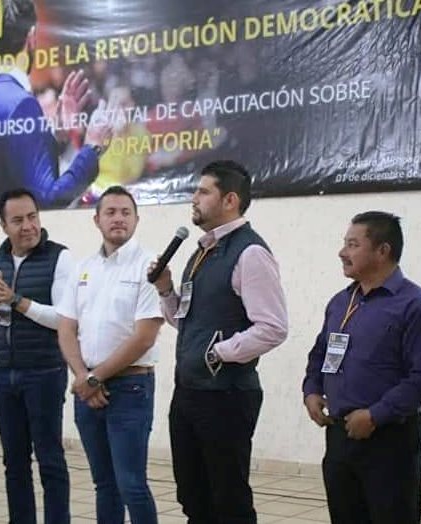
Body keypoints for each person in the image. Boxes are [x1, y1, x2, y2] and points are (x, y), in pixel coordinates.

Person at [150, 160, 288, 524]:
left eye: (203, 191)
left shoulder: (250, 253)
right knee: (193, 496)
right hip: (190, 392)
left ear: (230, 200)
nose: (193, 198)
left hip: (227, 395)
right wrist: (166, 289)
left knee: (228, 501)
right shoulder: (200, 253)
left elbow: (273, 327)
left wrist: (219, 352)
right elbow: (188, 322)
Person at [302, 212, 421, 524]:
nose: (342, 252)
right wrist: (311, 390)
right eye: (344, 243)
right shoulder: (341, 302)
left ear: (383, 251)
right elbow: (320, 353)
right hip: (340, 436)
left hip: (388, 440)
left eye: (353, 244)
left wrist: (376, 415)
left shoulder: (415, 305)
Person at [57, 186, 163, 524]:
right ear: (97, 219)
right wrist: (81, 376)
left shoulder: (150, 266)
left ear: (136, 219)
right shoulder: (83, 267)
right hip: (87, 390)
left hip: (130, 390)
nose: (118, 218)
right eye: (110, 212)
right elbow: (66, 328)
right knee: (104, 485)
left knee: (131, 484)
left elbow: (145, 336)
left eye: (125, 212)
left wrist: (94, 377)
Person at [0, 189, 73, 524]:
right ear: (3, 226)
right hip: (5, 374)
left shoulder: (60, 257)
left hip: (45, 372)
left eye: (32, 217)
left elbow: (63, 319)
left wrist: (16, 300)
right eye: (17, 220)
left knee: (50, 460)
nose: (28, 226)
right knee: (14, 462)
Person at [0, 0, 112, 215]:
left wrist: (56, 135)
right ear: (31, 37)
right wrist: (92, 148)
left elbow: (9, 171)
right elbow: (49, 198)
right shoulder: (22, 103)